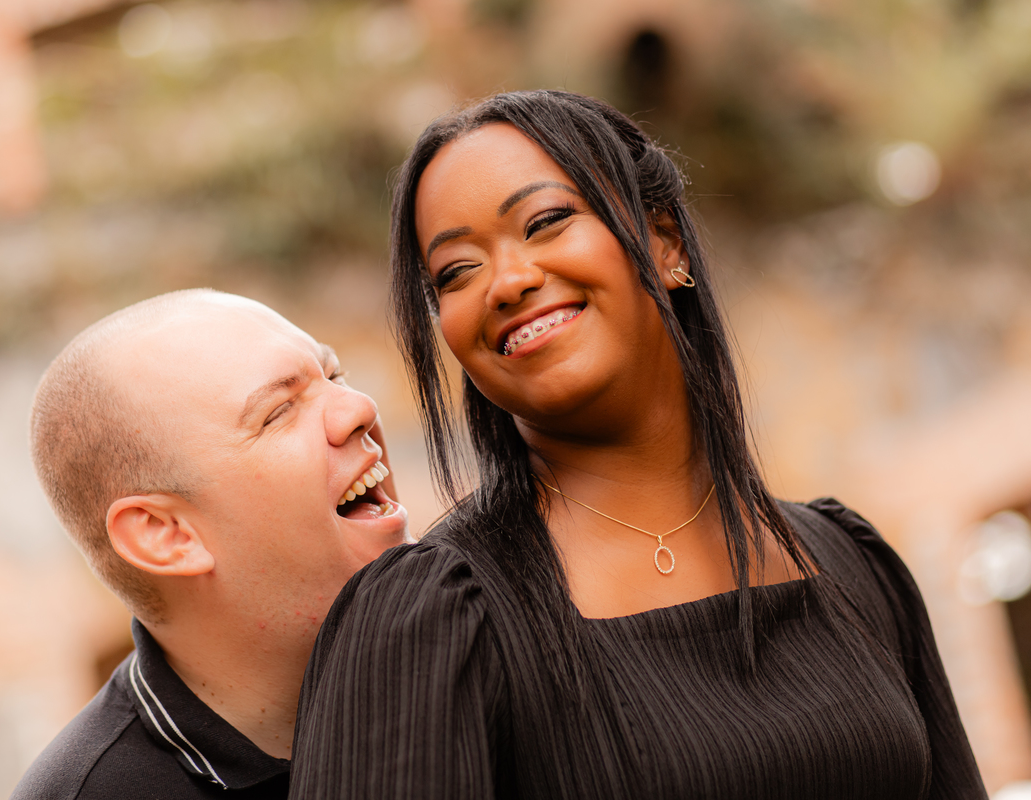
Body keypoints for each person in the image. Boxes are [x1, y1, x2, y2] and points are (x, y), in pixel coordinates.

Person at [290, 91, 985, 798]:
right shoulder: (433, 619)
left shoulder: (851, 564)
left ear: (665, 241)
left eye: (546, 221)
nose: (507, 282)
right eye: (456, 273)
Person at [12, 290, 407, 799]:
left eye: (334, 377)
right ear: (165, 534)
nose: (360, 407)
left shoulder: (484, 646)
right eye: (279, 410)